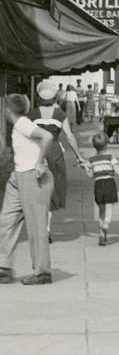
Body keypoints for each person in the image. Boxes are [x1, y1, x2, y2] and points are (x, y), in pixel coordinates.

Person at [0, 95, 55, 285]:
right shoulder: (19, 125)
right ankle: (3, 267)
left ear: (8, 110)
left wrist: (40, 162)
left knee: (36, 225)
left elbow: (47, 136)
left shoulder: (22, 123)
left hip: (33, 176)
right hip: (18, 176)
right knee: (6, 220)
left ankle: (42, 272)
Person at [33, 89, 87, 245]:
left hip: (36, 152)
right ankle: (47, 229)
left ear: (38, 99)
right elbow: (70, 136)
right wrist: (79, 155)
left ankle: (39, 228)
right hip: (55, 152)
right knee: (52, 190)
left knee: (36, 190)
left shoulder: (32, 115)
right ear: (54, 99)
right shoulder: (60, 115)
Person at [86, 133, 119, 246]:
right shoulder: (110, 157)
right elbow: (118, 171)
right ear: (106, 146)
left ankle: (102, 236)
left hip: (98, 184)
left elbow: (90, 176)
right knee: (109, 206)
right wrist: (113, 169)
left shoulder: (91, 159)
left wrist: (87, 168)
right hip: (109, 183)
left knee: (101, 210)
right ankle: (106, 224)